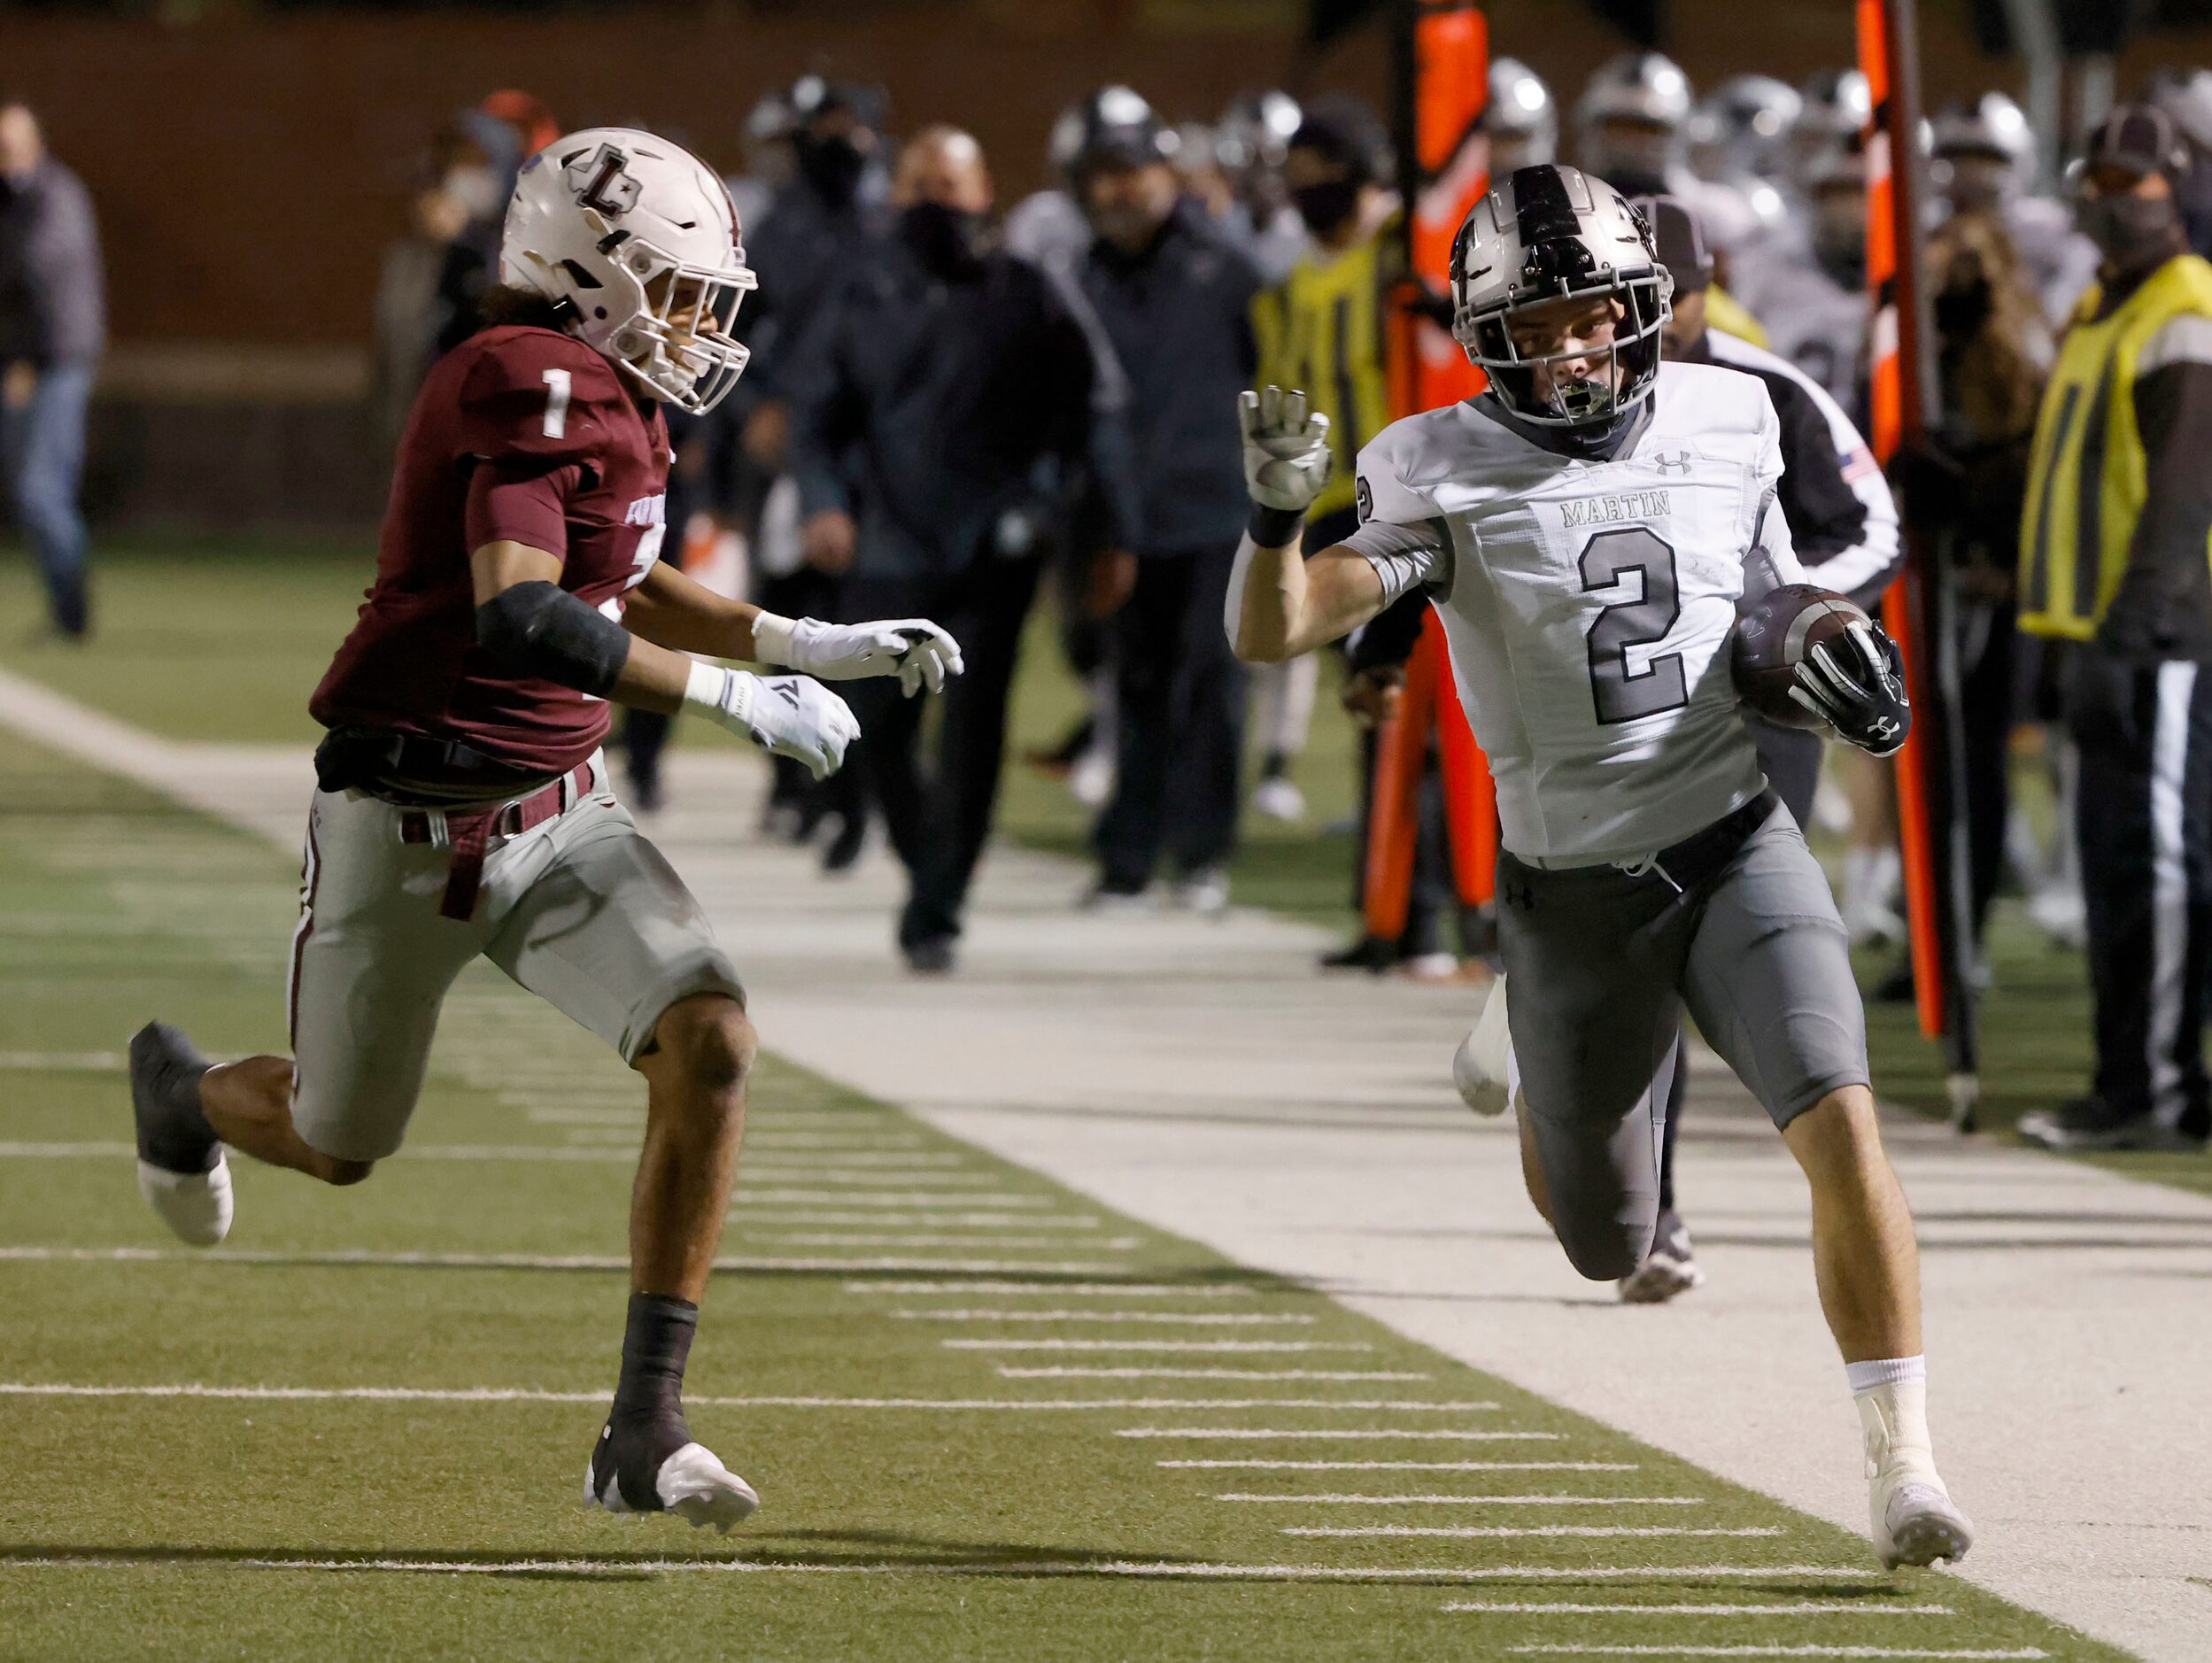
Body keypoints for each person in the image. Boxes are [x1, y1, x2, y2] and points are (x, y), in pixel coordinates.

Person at [123, 128, 962, 1529]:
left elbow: (622, 576)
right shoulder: (518, 377)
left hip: (562, 818)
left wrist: (808, 638)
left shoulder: (618, 393)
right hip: (406, 824)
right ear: (589, 275)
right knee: (336, 1141)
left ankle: (643, 1427)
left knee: (712, 1040)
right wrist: (730, 701)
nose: (701, 325)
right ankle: (183, 1093)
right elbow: (524, 604)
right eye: (681, 292)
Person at [1226, 164, 1971, 1571]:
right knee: (1604, 1244)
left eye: (1593, 314)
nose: (1571, 345)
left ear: (1644, 309)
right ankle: (1526, 1009)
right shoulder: (1431, 461)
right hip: (1569, 885)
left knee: (1842, 1122)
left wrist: (1821, 656)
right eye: (1540, 319)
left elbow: (1760, 603)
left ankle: (1905, 1465)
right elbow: (1278, 631)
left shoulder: (1731, 408)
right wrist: (1275, 523)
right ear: (1486, 332)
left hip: (1734, 834)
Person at [1614, 193, 1901, 1303]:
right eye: (1632, 300)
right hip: (1619, 717)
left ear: (1704, 285)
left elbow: (1870, 520)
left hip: (1754, 706)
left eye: (1670, 298)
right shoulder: (1563, 393)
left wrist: (1784, 612)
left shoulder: (1761, 387)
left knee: (1753, 945)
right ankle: (1656, 1204)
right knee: (1638, 945)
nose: (1652, 321)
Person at [789, 126, 1123, 973]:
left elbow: (1088, 403)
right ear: (897, 194)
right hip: (887, 545)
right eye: (920, 183)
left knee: (973, 732)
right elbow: (816, 414)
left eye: (952, 183)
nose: (936, 200)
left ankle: (937, 905)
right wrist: (825, 505)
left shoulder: (1024, 291)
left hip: (992, 549)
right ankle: (926, 860)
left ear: (984, 193)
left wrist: (1059, 506)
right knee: (876, 730)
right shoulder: (861, 289)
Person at [2015, 106, 2212, 1155]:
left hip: (2161, 638)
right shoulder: (2103, 304)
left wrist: (2128, 633)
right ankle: (2127, 1075)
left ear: (2172, 186)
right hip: (2096, 631)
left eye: (2133, 180)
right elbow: (2077, 470)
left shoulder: (2184, 307)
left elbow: (2184, 497)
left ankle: (2162, 1091)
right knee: (2114, 867)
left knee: (2160, 866)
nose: (2112, 197)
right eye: (2097, 177)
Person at [1063, 89, 1262, 912]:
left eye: (1135, 169)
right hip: (1123, 517)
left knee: (1212, 686)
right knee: (1135, 685)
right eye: (1105, 175)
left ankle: (1203, 856)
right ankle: (1128, 860)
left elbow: (1270, 377)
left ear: (1169, 173)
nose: (1122, 188)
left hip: (1216, 512)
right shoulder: (1079, 278)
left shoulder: (1228, 268)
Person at [0, 98, 103, 641]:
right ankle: (66, 613)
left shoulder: (52, 196)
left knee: (42, 491)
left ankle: (72, 611)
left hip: (54, 363)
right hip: (23, 364)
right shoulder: (14, 199)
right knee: (30, 491)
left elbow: (38, 278)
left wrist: (23, 360)